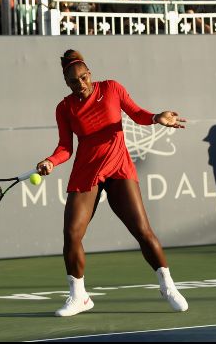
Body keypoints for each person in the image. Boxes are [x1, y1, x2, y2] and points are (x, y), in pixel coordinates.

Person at [35, 49, 189, 317]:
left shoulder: (112, 88)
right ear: (66, 82)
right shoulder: (65, 108)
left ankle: (167, 286)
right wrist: (50, 161)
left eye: (83, 78)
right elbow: (64, 147)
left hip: (118, 167)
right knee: (71, 235)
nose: (80, 84)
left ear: (90, 74)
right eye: (74, 81)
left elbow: (137, 113)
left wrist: (157, 118)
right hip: (86, 172)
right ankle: (79, 296)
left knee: (143, 231)